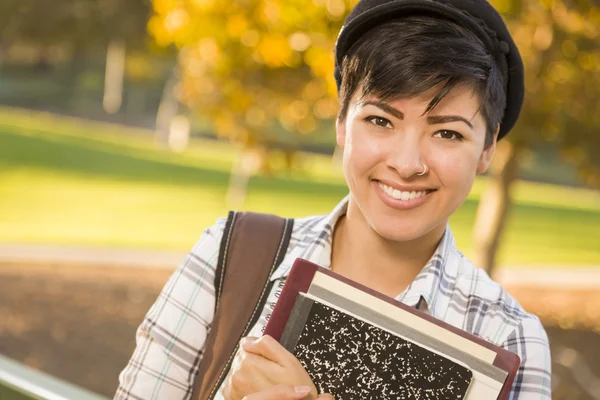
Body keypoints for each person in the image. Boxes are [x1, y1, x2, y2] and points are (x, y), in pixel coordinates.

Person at [115, 0, 552, 399]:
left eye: (447, 133)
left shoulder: (509, 337)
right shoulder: (230, 254)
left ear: (488, 148)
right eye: (381, 120)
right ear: (342, 123)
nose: (406, 163)